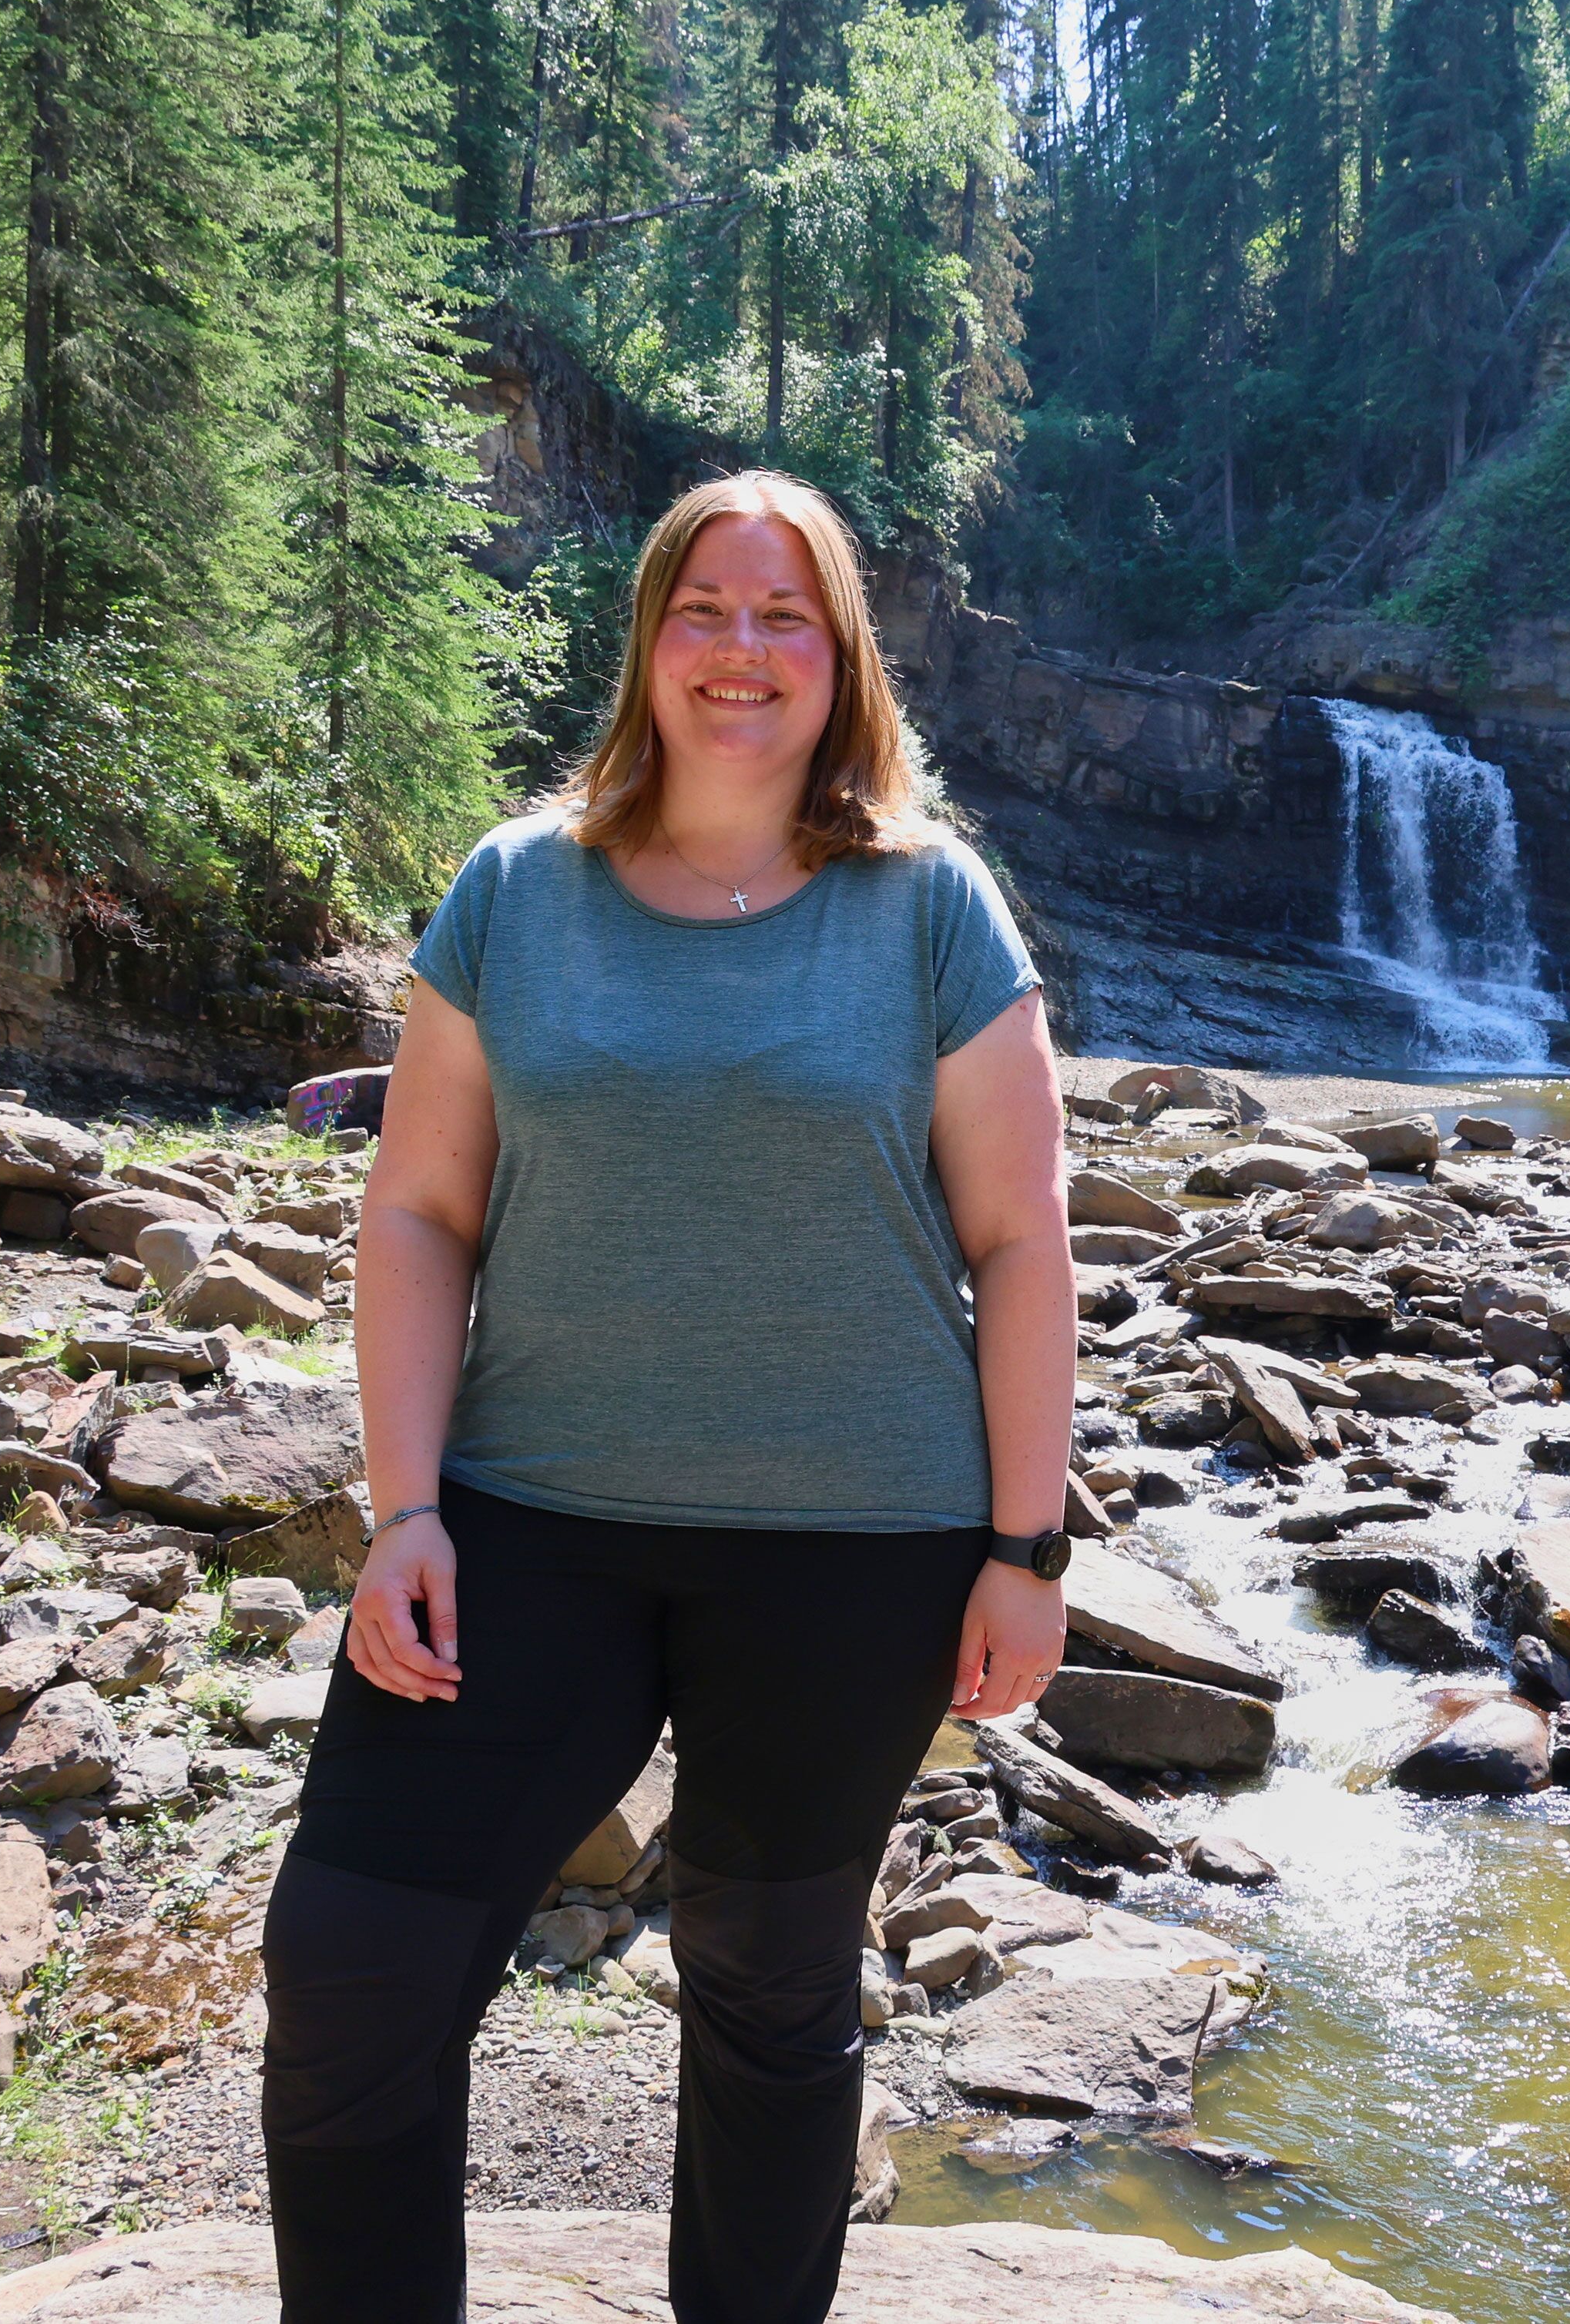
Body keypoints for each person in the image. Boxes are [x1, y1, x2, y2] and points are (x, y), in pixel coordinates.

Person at [254, 469, 1077, 2324]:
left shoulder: (929, 906)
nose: (742, 647)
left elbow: (1021, 1241)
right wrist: (402, 1507)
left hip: (856, 1542)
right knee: (356, 1955)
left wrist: (1026, 1544)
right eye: (706, 606)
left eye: (787, 615)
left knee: (772, 1981)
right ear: (648, 637)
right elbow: (416, 1203)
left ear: (842, 659)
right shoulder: (514, 889)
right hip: (531, 1517)